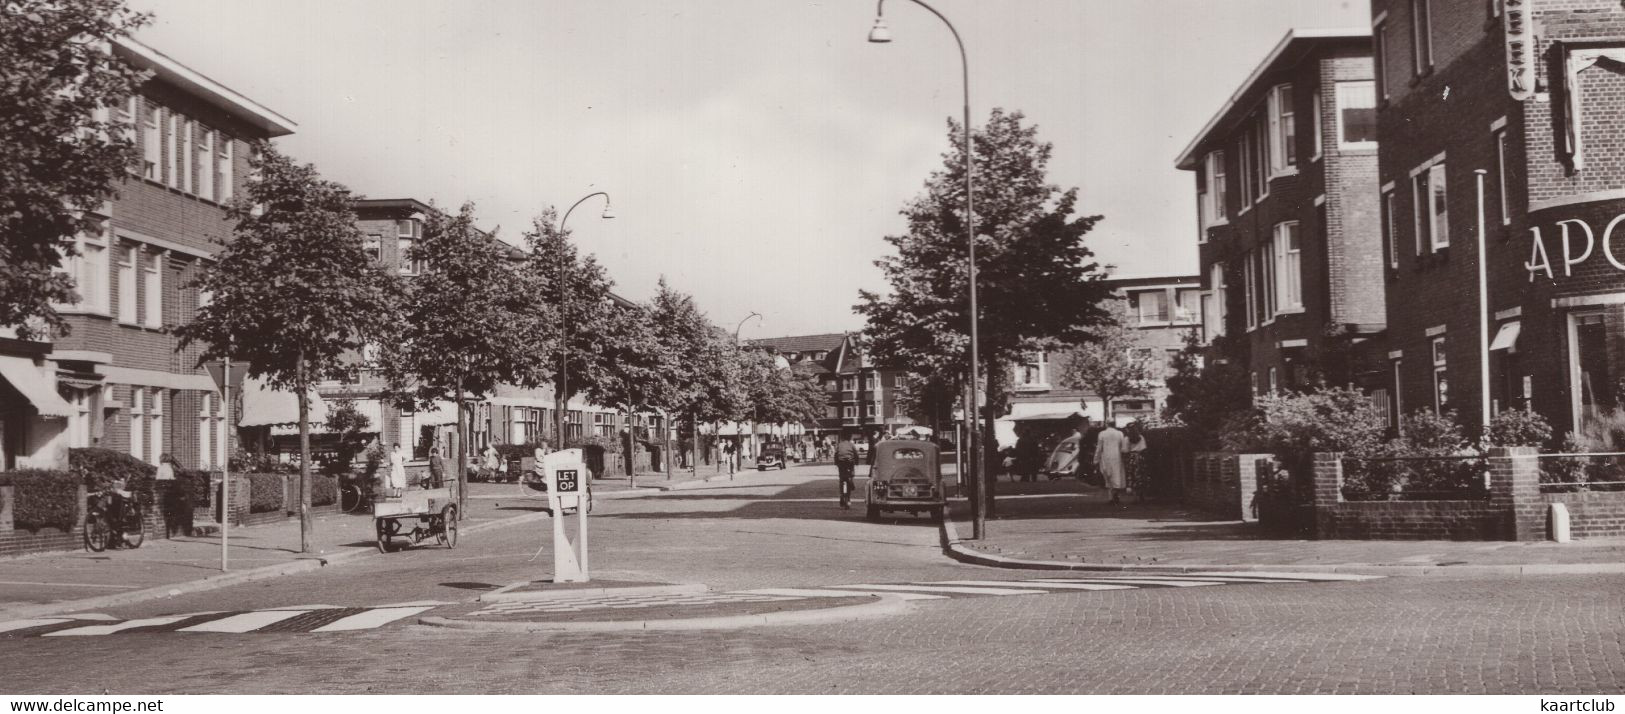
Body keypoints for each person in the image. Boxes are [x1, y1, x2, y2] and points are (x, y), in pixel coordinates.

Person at [1094, 421, 1127, 505]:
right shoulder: (1120, 433)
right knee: (1117, 476)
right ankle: (1115, 496)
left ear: (1107, 424)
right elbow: (1123, 448)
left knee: (1108, 476)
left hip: (1106, 457)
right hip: (1117, 457)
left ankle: (1111, 497)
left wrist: (1096, 460)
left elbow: (1099, 448)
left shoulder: (1102, 434)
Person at [1124, 421, 1149, 502]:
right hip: (1140, 457)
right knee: (1140, 475)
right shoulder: (1141, 437)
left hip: (1131, 457)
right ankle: (1141, 495)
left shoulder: (1127, 439)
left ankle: (1135, 497)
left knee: (1132, 476)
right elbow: (1144, 448)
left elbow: (1125, 450)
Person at [833, 434, 859, 509]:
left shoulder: (839, 445)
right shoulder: (851, 445)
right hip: (850, 463)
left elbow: (836, 454)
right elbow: (856, 454)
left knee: (842, 480)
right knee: (850, 476)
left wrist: (836, 463)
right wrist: (856, 462)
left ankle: (842, 496)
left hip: (841, 464)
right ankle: (851, 482)